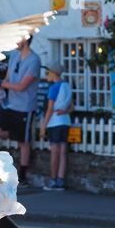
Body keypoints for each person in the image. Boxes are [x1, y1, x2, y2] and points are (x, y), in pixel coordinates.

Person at [0, 36, 41, 187]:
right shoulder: (15, 56)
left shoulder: (34, 60)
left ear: (26, 40)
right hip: (10, 104)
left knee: (23, 142)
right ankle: (13, 133)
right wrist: (0, 88)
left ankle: (23, 175)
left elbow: (21, 86)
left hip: (25, 107)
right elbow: (8, 79)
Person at [40, 62, 73, 191]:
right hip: (65, 121)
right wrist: (65, 111)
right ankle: (60, 180)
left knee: (55, 153)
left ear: (54, 73)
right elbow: (71, 106)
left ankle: (53, 180)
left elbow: (49, 110)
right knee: (63, 152)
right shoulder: (66, 86)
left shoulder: (53, 88)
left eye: (48, 72)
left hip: (54, 122)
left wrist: (43, 127)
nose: (46, 75)